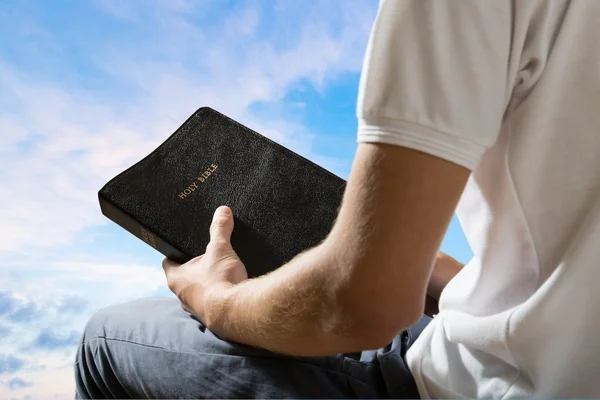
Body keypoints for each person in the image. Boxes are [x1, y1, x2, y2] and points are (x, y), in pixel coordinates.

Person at [75, 0, 600, 398]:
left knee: (104, 340)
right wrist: (413, 262)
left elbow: (360, 309)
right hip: (536, 349)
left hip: (485, 383)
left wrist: (215, 299)